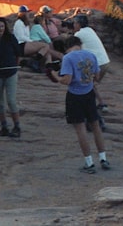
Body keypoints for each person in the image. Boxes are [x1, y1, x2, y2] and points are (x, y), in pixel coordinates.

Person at [49, 36, 110, 174]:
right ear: (79, 44)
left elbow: (67, 80)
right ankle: (103, 158)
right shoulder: (91, 55)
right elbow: (97, 76)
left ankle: (89, 163)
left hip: (75, 96)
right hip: (89, 94)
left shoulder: (68, 58)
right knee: (95, 126)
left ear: (67, 46)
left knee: (81, 129)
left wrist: (56, 76)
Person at [0, 16, 21, 137]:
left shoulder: (10, 38)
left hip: (10, 72)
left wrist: (15, 65)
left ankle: (17, 126)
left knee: (11, 100)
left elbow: (18, 53)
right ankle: (4, 127)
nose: (1, 28)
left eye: (2, 26)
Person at [74, 14, 110, 115]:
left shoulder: (79, 34)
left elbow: (73, 46)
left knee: (86, 85)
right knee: (91, 85)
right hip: (105, 62)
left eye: (75, 23)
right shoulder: (90, 30)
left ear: (79, 24)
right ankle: (101, 104)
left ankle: (90, 111)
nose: (74, 25)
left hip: (96, 64)